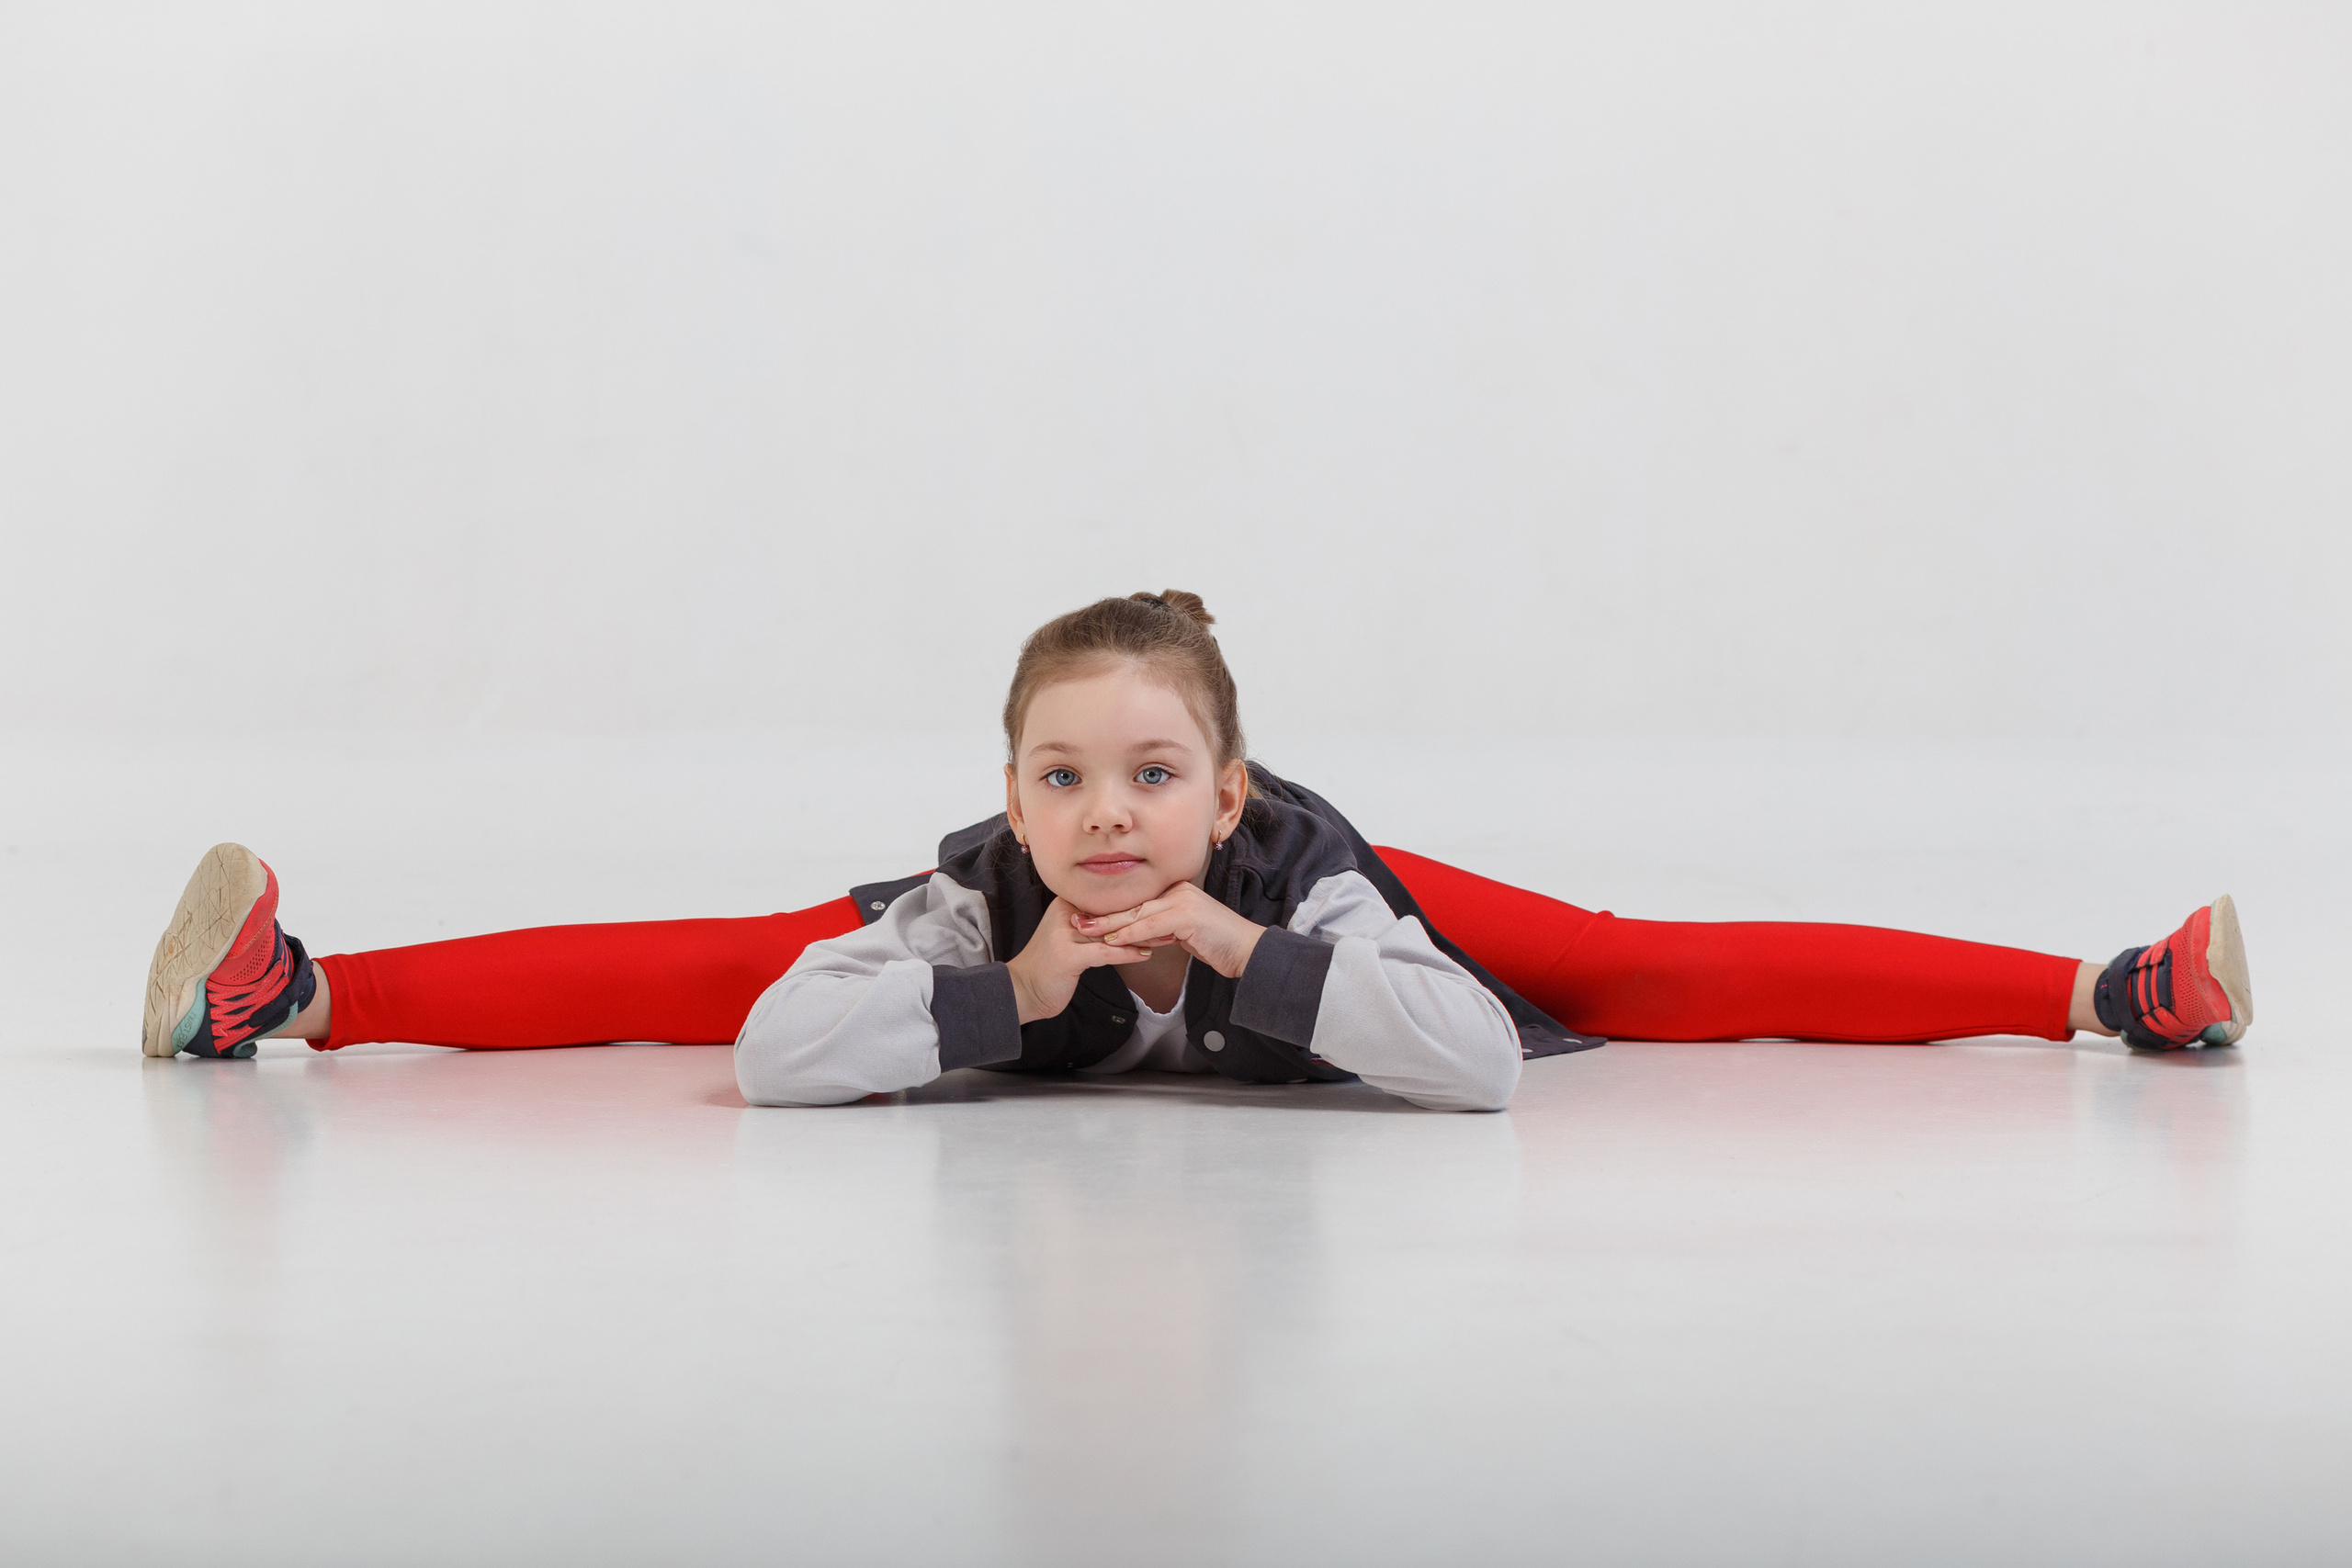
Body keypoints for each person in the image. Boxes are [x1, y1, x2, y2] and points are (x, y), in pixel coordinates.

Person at [137, 592, 2255, 1112]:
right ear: (1014, 794)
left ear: (1222, 794)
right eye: (1063, 778)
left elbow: (1478, 1067)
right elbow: (771, 1048)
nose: (1106, 814)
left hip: (1330, 911)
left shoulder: (1292, 869)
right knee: (734, 961)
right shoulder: (992, 883)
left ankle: (2104, 989)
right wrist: (1009, 986)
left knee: (1633, 962)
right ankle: (294, 992)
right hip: (1013, 946)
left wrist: (1243, 949)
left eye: (1150, 776)